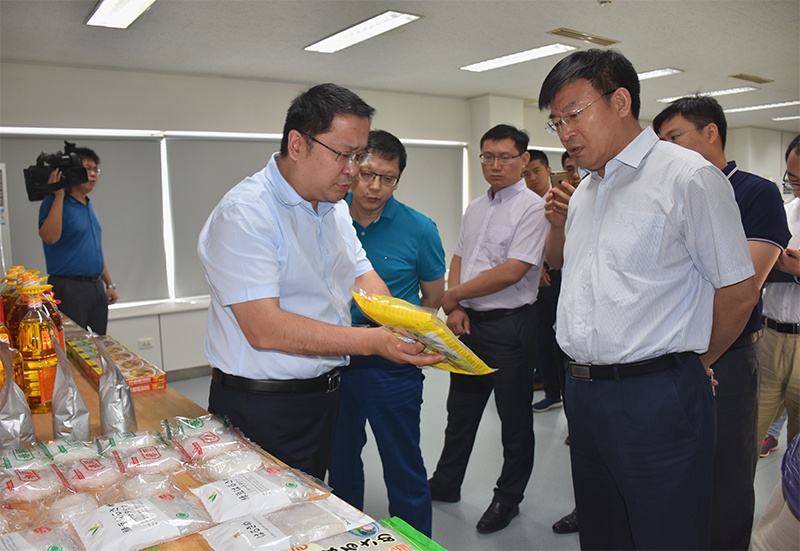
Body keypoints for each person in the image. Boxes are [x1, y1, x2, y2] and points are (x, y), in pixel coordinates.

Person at [539, 49, 758, 549]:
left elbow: (738, 291)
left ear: (620, 102)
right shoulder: (586, 191)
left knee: (666, 535)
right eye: (557, 122)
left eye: (574, 114)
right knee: (604, 534)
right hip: (584, 394)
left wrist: (693, 364)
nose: (565, 133)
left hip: (657, 397)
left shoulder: (687, 177)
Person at [197, 83, 444, 481]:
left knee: (312, 504)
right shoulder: (247, 213)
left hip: (322, 396)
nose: (354, 170)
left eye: (359, 156)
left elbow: (364, 278)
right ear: (297, 144)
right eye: (343, 155)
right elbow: (264, 328)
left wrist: (408, 326)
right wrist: (374, 342)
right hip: (262, 405)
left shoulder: (333, 209)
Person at [653, 96, 791, 550]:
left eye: (675, 137)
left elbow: (742, 287)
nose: (666, 149)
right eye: (661, 142)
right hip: (671, 353)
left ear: (710, 132)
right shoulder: (668, 193)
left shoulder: (754, 192)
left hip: (725, 352)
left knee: (727, 472)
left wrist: (701, 359)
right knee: (675, 468)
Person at [428, 124, 549, 534]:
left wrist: (453, 295)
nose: (495, 165)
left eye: (504, 157)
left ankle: (508, 497)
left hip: (509, 326)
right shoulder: (476, 206)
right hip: (469, 324)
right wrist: (457, 304)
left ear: (523, 160)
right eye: (487, 157)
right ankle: (446, 482)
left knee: (513, 419)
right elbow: (460, 255)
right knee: (460, 412)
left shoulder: (532, 208)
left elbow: (513, 271)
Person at [327, 130, 446, 537]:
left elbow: (433, 297)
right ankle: (346, 538)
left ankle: (415, 543)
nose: (375, 187)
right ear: (352, 169)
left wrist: (405, 333)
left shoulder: (420, 229)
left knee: (402, 462)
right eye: (367, 174)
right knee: (340, 460)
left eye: (388, 178)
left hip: (392, 363)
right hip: (334, 355)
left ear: (398, 180)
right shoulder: (327, 217)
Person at [38, 146, 118, 335]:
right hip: (69, 287)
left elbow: (94, 249)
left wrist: (109, 284)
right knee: (73, 343)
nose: (93, 174)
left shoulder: (88, 205)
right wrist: (58, 194)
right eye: (87, 168)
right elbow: (49, 237)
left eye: (95, 169)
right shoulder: (54, 201)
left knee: (98, 342)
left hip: (95, 286)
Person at [756, 134, 800, 460]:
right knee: (748, 433)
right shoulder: (784, 212)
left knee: (798, 448)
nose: (796, 187)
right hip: (769, 336)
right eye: (792, 179)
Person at [523, 149, 564, 413]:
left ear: (548, 171)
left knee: (562, 340)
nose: (532, 178)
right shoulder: (524, 205)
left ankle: (566, 397)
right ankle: (551, 392)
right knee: (542, 339)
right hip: (534, 279)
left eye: (536, 171)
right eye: (526, 174)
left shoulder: (559, 199)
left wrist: (546, 266)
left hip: (557, 276)